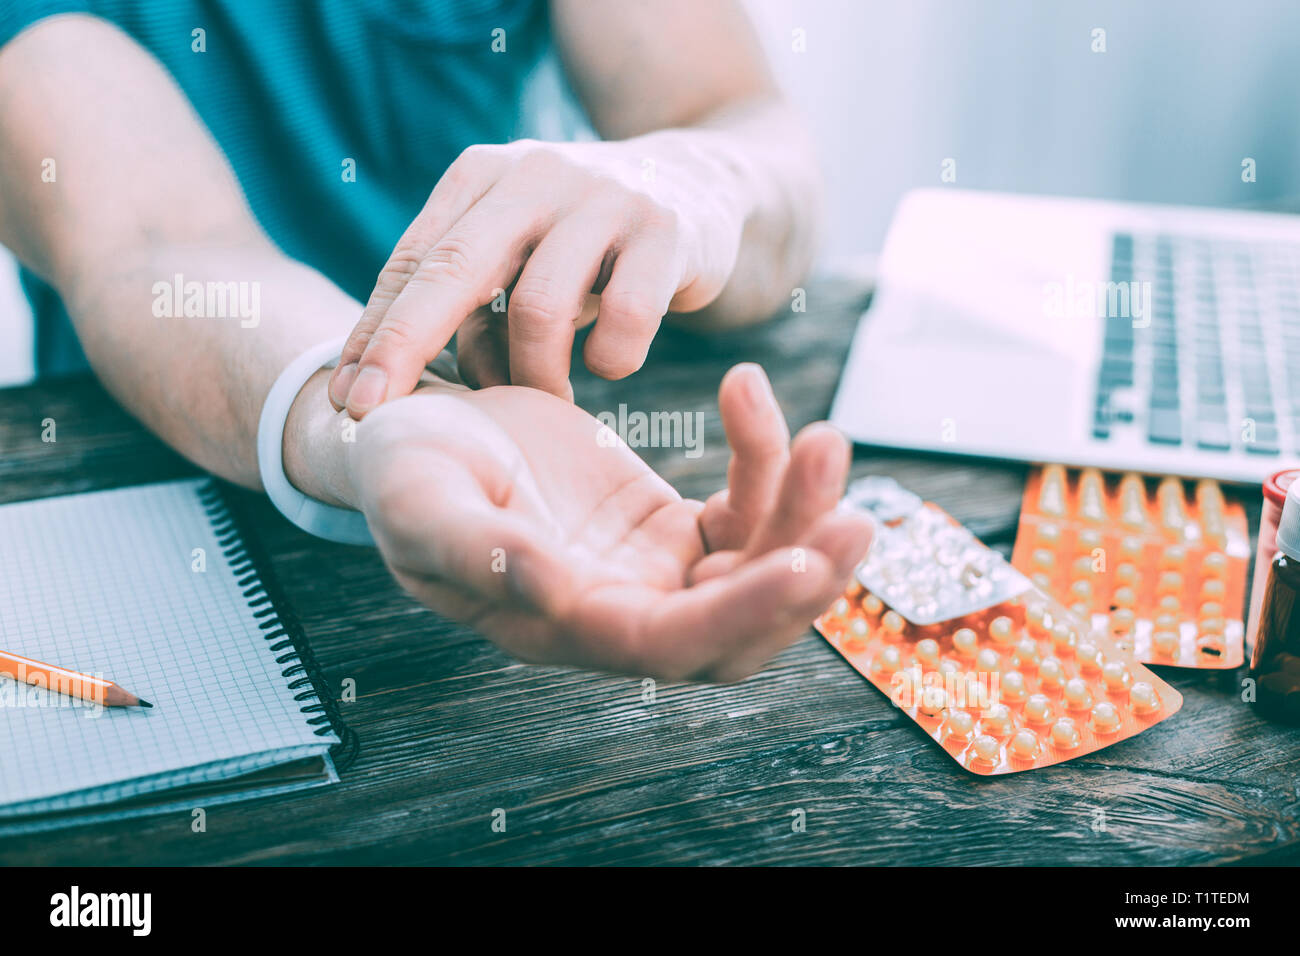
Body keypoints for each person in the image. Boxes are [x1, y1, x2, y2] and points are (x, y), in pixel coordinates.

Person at [0, 1, 873, 681]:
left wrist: (693, 179)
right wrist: (372, 417)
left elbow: (736, 117)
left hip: (554, 455)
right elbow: (157, 246)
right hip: (153, 525)